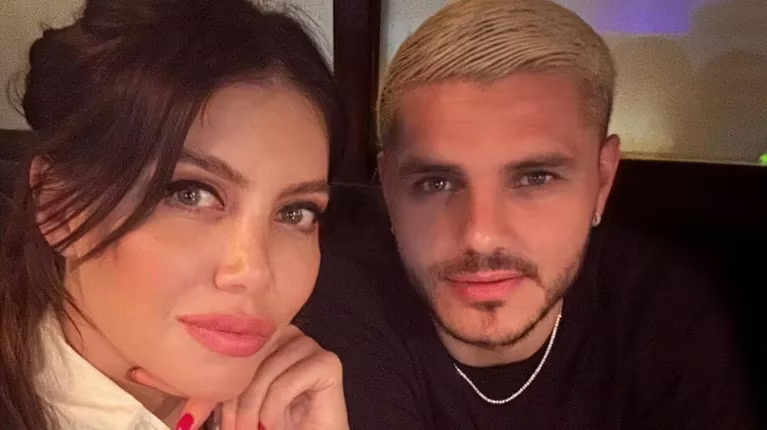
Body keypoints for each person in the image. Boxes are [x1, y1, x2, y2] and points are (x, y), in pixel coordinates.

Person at [304, 0, 756, 428]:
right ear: (388, 188)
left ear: (602, 179)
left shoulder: (662, 317)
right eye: (436, 183)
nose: (480, 235)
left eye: (535, 178)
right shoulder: (337, 307)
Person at [0, 0, 350, 429]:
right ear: (58, 207)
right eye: (190, 194)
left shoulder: (311, 396)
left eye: (295, 213)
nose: (255, 272)